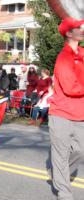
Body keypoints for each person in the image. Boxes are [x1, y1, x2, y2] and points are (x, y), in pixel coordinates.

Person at [48, 18, 84, 200]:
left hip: (80, 115)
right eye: (78, 27)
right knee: (61, 155)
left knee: (80, 151)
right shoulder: (64, 58)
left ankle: (59, 173)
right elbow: (71, 87)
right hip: (61, 114)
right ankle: (64, 194)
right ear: (69, 33)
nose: (82, 29)